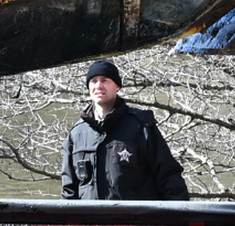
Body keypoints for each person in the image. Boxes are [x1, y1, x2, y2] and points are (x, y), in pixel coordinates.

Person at [61, 59, 189, 200]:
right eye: (94, 81)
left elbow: (168, 176)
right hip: (92, 220)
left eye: (105, 80)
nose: (98, 86)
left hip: (135, 219)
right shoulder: (77, 134)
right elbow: (69, 190)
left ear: (117, 87)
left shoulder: (140, 126)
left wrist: (179, 216)